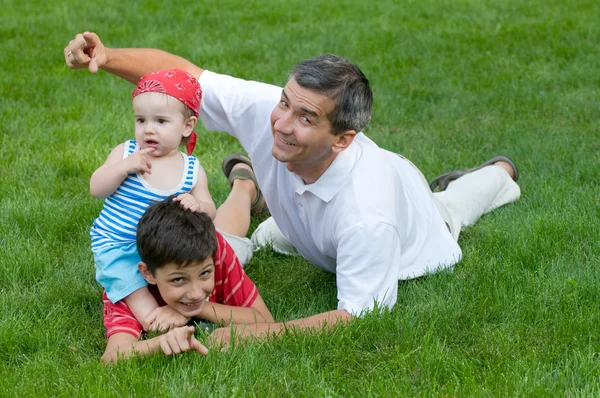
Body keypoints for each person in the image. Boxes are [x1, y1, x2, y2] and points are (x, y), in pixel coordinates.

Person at [65, 32, 521, 344]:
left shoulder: (369, 217)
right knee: (215, 248)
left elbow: (359, 316)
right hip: (302, 222)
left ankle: (497, 173)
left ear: (344, 139)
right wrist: (106, 57)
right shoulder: (277, 111)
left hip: (412, 226)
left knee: (452, 207)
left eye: (305, 118)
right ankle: (247, 186)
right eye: (285, 102)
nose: (281, 124)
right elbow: (184, 76)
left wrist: (251, 335)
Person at [90, 67, 264, 333]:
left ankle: (245, 185)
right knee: (144, 309)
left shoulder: (191, 169)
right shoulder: (127, 152)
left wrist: (199, 206)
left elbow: (209, 209)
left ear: (187, 126)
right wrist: (122, 167)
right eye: (140, 120)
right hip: (119, 246)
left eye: (160, 121)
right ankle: (169, 322)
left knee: (224, 248)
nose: (148, 129)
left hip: (174, 249)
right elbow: (96, 188)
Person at [102, 196, 273, 362]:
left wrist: (198, 308)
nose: (195, 293)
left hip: (226, 242)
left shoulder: (215, 253)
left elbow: (264, 319)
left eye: (205, 273)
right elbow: (112, 357)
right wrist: (160, 342)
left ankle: (244, 187)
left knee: (239, 244)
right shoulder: (128, 286)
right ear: (148, 273)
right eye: (178, 280)